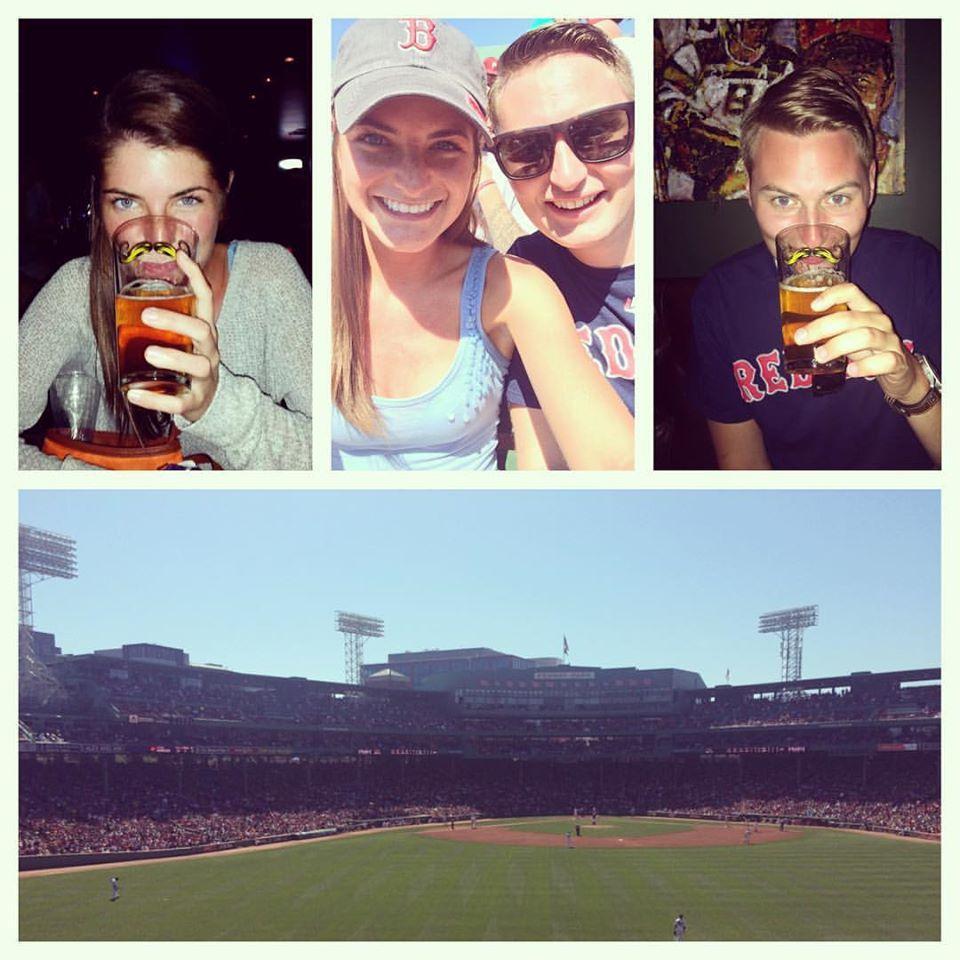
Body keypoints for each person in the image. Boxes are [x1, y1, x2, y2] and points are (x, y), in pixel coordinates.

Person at [331, 19, 633, 471]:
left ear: (476, 160)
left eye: (445, 145)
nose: (412, 179)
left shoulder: (515, 288)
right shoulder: (305, 287)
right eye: (375, 140)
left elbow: (612, 468)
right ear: (333, 143)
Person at [19, 69, 312, 470]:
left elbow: (335, 457)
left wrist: (216, 402)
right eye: (126, 202)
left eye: (187, 201)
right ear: (99, 203)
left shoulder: (269, 277)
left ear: (223, 197)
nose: (156, 239)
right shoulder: (75, 289)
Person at [690, 66, 940, 469]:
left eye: (838, 199)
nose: (811, 238)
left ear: (871, 184)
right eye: (783, 201)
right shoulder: (720, 297)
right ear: (749, 194)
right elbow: (743, 469)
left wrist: (911, 385)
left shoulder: (922, 270)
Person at [488, 21, 635, 469]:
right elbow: (542, 465)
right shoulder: (525, 274)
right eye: (526, 149)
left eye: (597, 133)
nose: (566, 176)